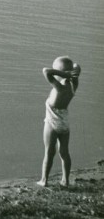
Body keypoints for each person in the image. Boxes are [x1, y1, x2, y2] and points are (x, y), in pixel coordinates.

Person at [37, 56, 81, 188]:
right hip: (64, 122)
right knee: (64, 152)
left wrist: (62, 73)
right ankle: (65, 180)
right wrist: (71, 74)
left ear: (59, 73)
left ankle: (44, 180)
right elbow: (77, 65)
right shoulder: (74, 85)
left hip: (52, 120)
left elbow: (46, 71)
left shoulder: (59, 87)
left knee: (49, 152)